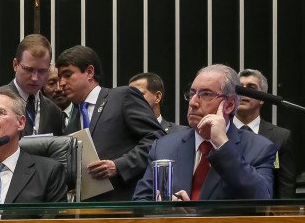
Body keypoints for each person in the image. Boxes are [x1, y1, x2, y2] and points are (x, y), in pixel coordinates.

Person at [133, 65, 275, 201]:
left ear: (230, 104)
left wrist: (222, 144)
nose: (193, 102)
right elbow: (140, 201)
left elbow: (262, 199)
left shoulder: (259, 148)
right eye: (192, 93)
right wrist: (166, 208)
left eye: (206, 94)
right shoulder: (164, 146)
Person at [55, 45, 163, 200]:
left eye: (67, 75)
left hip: (126, 204)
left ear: (90, 72)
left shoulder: (122, 97)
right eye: (59, 78)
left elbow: (157, 139)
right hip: (87, 211)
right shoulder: (69, 121)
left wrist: (119, 165)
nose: (61, 84)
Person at [0, 34, 65, 140]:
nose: (35, 78)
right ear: (15, 65)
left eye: (42, 71)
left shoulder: (54, 112)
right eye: (28, 69)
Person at [235, 69, 296, 199]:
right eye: (240, 88)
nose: (244, 92)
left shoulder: (280, 136)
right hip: (222, 213)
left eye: (251, 88)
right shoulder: (219, 131)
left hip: (265, 213)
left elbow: (286, 186)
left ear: (263, 98)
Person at [43, 66, 78, 132]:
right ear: (43, 87)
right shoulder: (39, 118)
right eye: (51, 83)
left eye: (62, 82)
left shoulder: (83, 112)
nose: (58, 88)